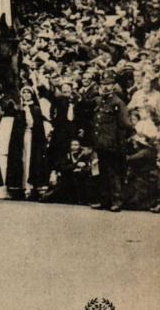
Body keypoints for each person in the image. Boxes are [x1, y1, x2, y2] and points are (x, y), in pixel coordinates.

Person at [89, 70, 134, 212]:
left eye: (108, 84)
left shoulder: (118, 103)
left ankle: (116, 201)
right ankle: (105, 200)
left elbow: (126, 124)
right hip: (101, 143)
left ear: (114, 85)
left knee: (113, 173)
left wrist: (118, 140)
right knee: (102, 172)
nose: (105, 87)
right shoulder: (100, 101)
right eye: (103, 84)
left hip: (113, 144)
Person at [5, 86, 49, 201]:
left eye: (28, 92)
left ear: (32, 94)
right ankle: (20, 187)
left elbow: (39, 127)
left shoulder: (36, 109)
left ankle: (31, 187)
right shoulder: (19, 109)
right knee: (21, 160)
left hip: (33, 139)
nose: (26, 94)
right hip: (20, 139)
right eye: (23, 92)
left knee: (32, 160)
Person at [49, 138, 96, 205]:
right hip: (68, 178)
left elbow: (90, 166)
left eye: (76, 145)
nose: (74, 147)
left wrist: (82, 169)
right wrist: (75, 165)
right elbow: (63, 167)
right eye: (72, 145)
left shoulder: (85, 155)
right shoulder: (67, 154)